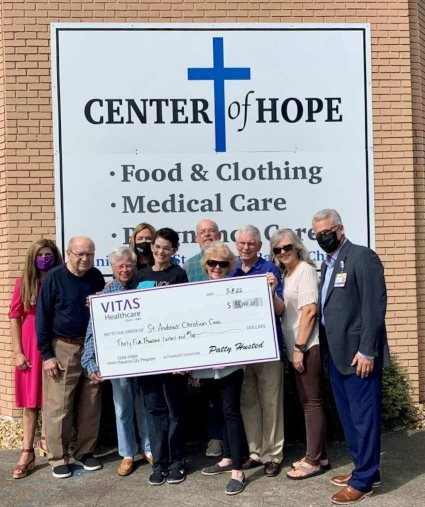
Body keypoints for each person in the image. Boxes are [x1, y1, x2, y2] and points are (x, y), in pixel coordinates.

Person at [312, 209, 390, 505]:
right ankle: (365, 470)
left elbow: (374, 307)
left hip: (359, 356)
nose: (322, 237)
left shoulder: (362, 257)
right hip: (337, 355)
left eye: (326, 231)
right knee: (349, 419)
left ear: (340, 229)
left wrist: (367, 350)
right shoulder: (328, 264)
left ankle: (363, 482)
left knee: (363, 419)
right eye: (317, 234)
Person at [36, 236, 105, 479]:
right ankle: (58, 457)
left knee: (91, 402)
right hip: (62, 347)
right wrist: (47, 355)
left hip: (92, 347)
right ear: (69, 253)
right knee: (59, 405)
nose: (85, 258)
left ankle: (85, 451)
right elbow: (42, 317)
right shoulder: (55, 277)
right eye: (80, 254)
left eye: (90, 254)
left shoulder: (96, 276)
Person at [82, 246, 152, 477]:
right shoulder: (103, 297)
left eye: (129, 265)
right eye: (120, 266)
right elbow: (93, 333)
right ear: (112, 267)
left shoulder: (145, 290)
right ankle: (127, 453)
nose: (125, 269)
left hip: (143, 360)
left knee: (144, 406)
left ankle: (149, 449)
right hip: (118, 363)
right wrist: (91, 363)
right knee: (122, 409)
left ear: (135, 266)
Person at [270, 229, 329, 480]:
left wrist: (299, 348)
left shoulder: (304, 269)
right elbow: (284, 310)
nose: (283, 252)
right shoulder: (287, 274)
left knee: (312, 403)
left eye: (287, 247)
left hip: (306, 346)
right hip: (297, 346)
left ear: (297, 247)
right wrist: (271, 293)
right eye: (277, 249)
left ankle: (313, 461)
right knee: (308, 401)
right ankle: (321, 455)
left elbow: (310, 312)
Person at [135, 228, 189, 486]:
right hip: (147, 356)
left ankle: (178, 461)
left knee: (175, 410)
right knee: (154, 410)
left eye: (166, 248)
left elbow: (183, 313)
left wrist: (182, 358)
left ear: (174, 251)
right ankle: (159, 463)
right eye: (157, 246)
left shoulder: (178, 274)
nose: (160, 251)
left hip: (171, 354)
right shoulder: (140, 275)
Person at [231, 225, 285, 477]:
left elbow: (281, 309)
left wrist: (272, 290)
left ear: (259, 247)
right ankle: (255, 452)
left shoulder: (269, 270)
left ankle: (272, 455)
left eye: (251, 243)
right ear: (236, 245)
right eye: (241, 243)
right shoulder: (230, 273)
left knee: (271, 401)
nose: (245, 247)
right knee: (248, 401)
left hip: (267, 347)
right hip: (241, 349)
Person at [193, 241, 246, 495]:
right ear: (206, 265)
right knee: (216, 412)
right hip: (206, 367)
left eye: (222, 264)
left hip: (230, 365)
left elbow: (243, 326)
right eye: (212, 263)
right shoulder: (198, 291)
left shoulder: (237, 290)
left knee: (231, 412)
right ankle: (225, 458)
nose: (217, 267)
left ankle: (238, 469)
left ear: (229, 266)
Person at [9, 239, 63, 479]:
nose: (44, 258)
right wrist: (17, 351)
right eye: (40, 254)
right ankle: (26, 450)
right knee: (31, 402)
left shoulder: (60, 279)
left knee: (53, 399)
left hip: (56, 341)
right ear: (33, 257)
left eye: (48, 254)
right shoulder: (24, 283)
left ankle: (48, 443)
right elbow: (14, 317)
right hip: (31, 344)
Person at [184, 219, 224, 458]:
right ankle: (215, 438)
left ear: (219, 235)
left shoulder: (233, 261)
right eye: (202, 233)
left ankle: (233, 438)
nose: (207, 235)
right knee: (209, 394)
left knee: (231, 394)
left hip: (229, 339)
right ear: (196, 238)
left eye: (211, 232)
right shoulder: (188, 267)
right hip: (201, 340)